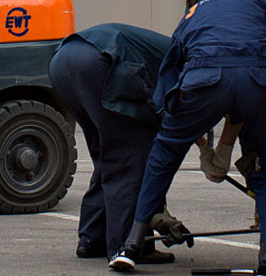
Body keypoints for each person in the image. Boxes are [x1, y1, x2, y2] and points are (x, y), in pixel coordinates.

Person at [109, 0, 266, 276]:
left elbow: (172, 64)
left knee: (164, 155)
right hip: (259, 81)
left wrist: (170, 114)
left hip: (205, 80)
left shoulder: (193, 13)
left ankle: (131, 245)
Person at [47, 23, 190, 265]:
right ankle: (128, 247)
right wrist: (158, 212)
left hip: (63, 59)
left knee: (108, 155)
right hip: (99, 62)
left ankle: (92, 238)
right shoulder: (194, 63)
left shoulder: (177, 50)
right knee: (131, 157)